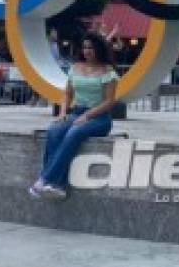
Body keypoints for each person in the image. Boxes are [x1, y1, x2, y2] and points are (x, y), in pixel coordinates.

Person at [30, 32, 119, 200]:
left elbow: (109, 102)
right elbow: (67, 94)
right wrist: (63, 113)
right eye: (85, 47)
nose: (87, 51)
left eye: (91, 47)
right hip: (76, 112)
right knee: (54, 130)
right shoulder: (75, 67)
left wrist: (87, 116)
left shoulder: (108, 71)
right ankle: (58, 186)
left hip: (99, 118)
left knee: (74, 133)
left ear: (98, 49)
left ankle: (44, 179)